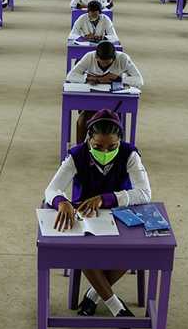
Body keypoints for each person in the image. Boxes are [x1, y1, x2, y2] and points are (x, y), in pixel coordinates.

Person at [44, 109, 150, 317]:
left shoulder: (129, 154)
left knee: (135, 251)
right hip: (87, 216)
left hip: (120, 212)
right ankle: (116, 307)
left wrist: (105, 198)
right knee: (82, 251)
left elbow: (144, 193)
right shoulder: (77, 155)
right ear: (88, 139)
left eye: (112, 147)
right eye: (98, 147)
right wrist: (61, 202)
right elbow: (51, 189)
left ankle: (93, 295)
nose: (105, 151)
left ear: (120, 141)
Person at [65, 41, 144, 142]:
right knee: (83, 119)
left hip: (114, 101)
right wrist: (88, 78)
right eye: (101, 62)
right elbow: (70, 76)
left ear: (114, 58)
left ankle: (116, 146)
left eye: (107, 63)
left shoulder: (123, 58)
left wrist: (119, 78)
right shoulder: (89, 56)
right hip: (92, 98)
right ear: (96, 57)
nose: (104, 65)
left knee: (114, 121)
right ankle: (80, 147)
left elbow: (139, 80)